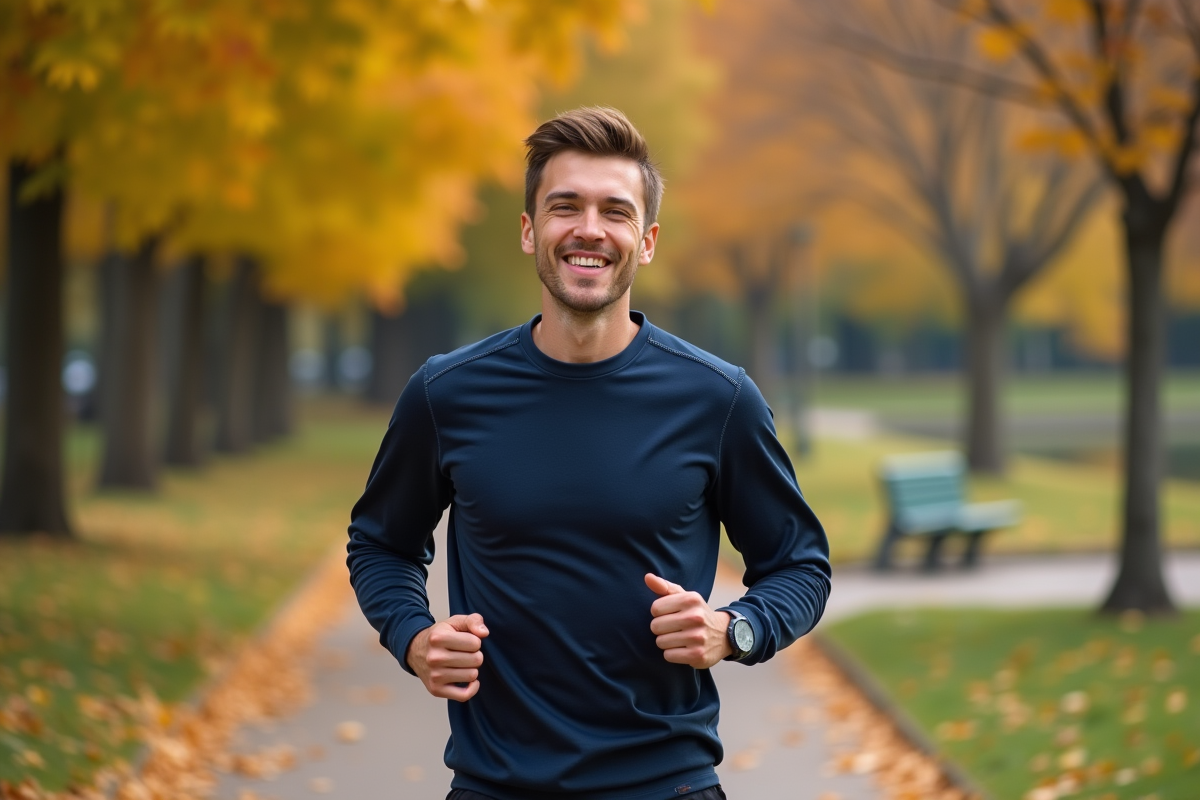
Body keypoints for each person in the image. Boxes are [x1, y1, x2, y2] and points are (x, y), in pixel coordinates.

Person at [347, 106, 830, 800]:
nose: (589, 229)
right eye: (564, 206)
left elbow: (799, 566)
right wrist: (413, 636)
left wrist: (736, 629)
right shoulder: (446, 393)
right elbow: (379, 543)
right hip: (494, 785)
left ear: (647, 239)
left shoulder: (717, 400)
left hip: (668, 784)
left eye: (615, 210)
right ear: (528, 230)